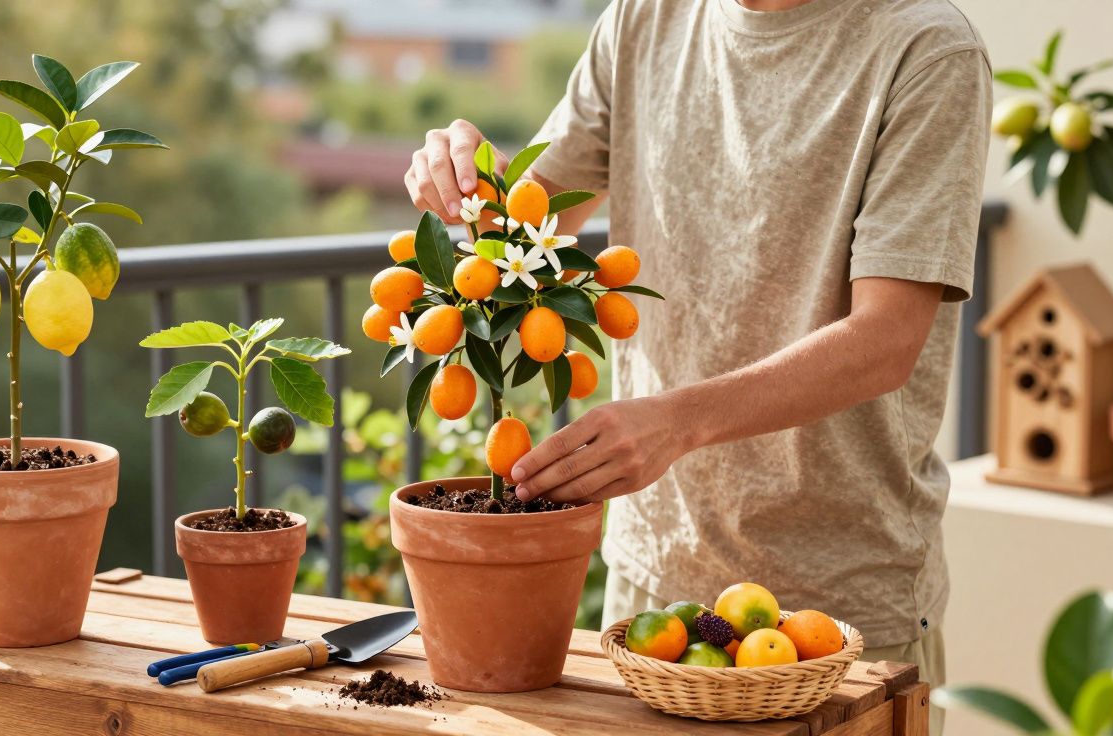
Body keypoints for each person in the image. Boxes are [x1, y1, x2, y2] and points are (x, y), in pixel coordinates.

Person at [405, 1, 989, 731]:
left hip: (834, 610)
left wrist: (675, 423)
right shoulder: (644, 17)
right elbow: (526, 221)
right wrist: (462, 176)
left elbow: (886, 339)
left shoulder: (926, 49)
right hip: (651, 590)